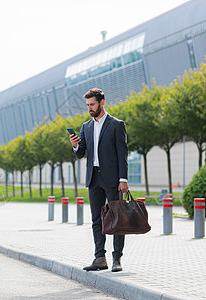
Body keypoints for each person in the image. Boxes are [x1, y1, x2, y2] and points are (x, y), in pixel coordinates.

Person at [70, 88, 129, 272]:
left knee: (116, 218)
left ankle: (116, 258)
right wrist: (75, 145)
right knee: (97, 220)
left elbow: (122, 154)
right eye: (87, 105)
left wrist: (123, 179)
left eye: (92, 104)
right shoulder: (86, 126)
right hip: (93, 178)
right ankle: (100, 258)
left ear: (102, 103)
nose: (90, 108)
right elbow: (81, 153)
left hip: (112, 179)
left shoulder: (116, 125)